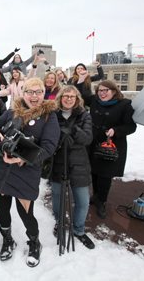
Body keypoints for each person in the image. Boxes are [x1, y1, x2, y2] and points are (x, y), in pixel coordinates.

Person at [0, 77, 60, 267]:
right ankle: (7, 240)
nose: (34, 96)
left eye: (38, 92)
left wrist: (23, 158)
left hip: (25, 172)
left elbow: (49, 147)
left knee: (25, 213)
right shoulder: (13, 110)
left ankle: (34, 243)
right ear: (23, 93)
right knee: (2, 210)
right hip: (2, 168)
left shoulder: (49, 115)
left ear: (44, 93)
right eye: (30, 92)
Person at [83, 80, 137, 219]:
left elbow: (131, 127)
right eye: (100, 90)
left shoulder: (124, 105)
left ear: (114, 91)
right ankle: (95, 196)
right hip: (94, 142)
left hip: (111, 145)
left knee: (105, 175)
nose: (102, 93)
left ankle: (102, 201)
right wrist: (82, 79)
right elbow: (81, 94)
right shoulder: (95, 101)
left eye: (105, 90)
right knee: (94, 172)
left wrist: (116, 130)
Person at [50, 85, 95, 249]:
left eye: (72, 96)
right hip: (58, 162)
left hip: (79, 163)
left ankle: (79, 230)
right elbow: (50, 137)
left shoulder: (84, 115)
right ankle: (59, 223)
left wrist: (72, 130)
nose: (69, 99)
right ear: (60, 98)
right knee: (57, 199)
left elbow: (87, 138)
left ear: (77, 99)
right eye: (65, 96)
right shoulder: (53, 115)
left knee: (82, 201)